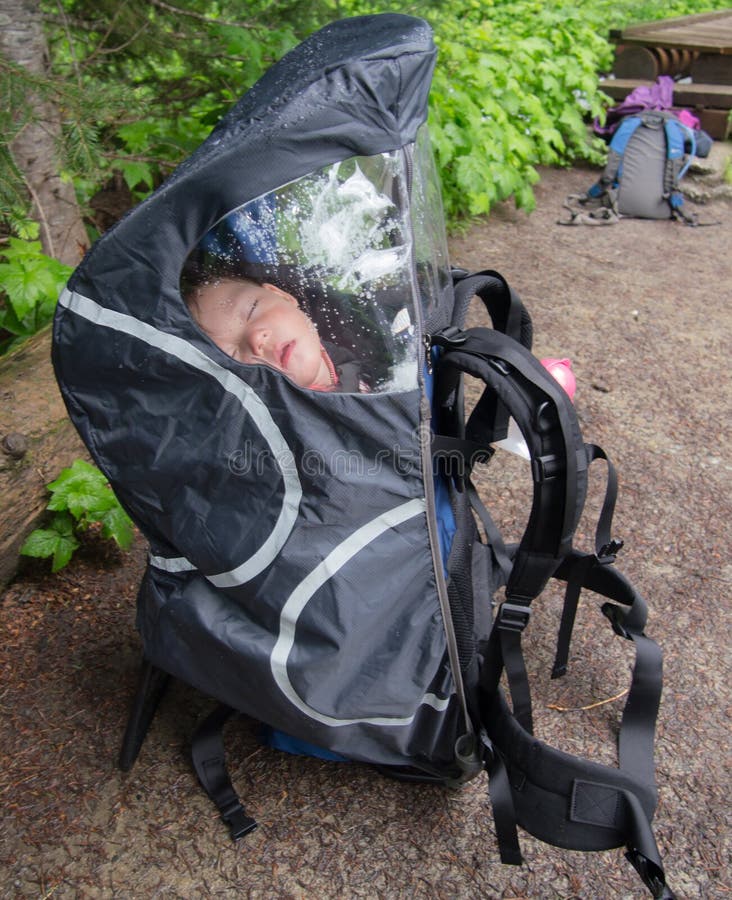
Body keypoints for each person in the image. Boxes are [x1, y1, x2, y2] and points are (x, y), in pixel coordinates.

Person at [185, 276, 367, 392]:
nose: (256, 339)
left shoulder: (358, 332)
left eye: (251, 310)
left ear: (283, 296)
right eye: (231, 354)